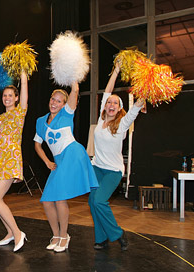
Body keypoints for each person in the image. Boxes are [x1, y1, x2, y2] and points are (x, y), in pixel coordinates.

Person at [34, 82, 99, 253]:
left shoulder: (67, 114)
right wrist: (47, 161)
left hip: (73, 155)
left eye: (59, 101)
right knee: (47, 200)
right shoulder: (40, 122)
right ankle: (56, 235)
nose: (54, 103)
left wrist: (73, 76)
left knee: (60, 198)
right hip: (58, 161)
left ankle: (64, 235)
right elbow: (37, 145)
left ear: (65, 104)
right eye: (53, 100)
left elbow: (75, 90)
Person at [88, 63, 144, 251]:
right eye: (109, 102)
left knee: (99, 200)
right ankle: (101, 238)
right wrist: (117, 70)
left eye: (115, 103)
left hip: (113, 170)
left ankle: (117, 233)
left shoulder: (122, 125)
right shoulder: (101, 120)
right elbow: (108, 90)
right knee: (92, 201)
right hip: (97, 167)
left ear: (120, 109)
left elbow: (136, 106)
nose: (111, 104)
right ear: (105, 106)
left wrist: (145, 87)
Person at [0, 71, 28, 252]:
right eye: (4, 96)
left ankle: (18, 233)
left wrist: (23, 74)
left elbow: (25, 91)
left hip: (10, 160)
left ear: (17, 98)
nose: (7, 98)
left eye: (10, 95)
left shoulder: (19, 113)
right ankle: (9, 232)